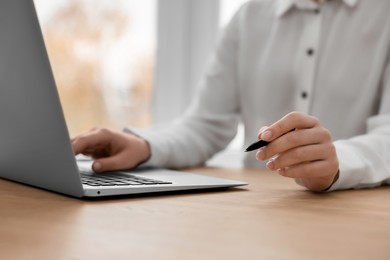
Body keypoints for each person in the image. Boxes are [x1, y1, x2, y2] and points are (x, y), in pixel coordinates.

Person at [72, 0, 390, 192]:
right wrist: (144, 146)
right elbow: (205, 126)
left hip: (353, 214)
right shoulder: (250, 14)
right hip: (257, 209)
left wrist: (337, 164)